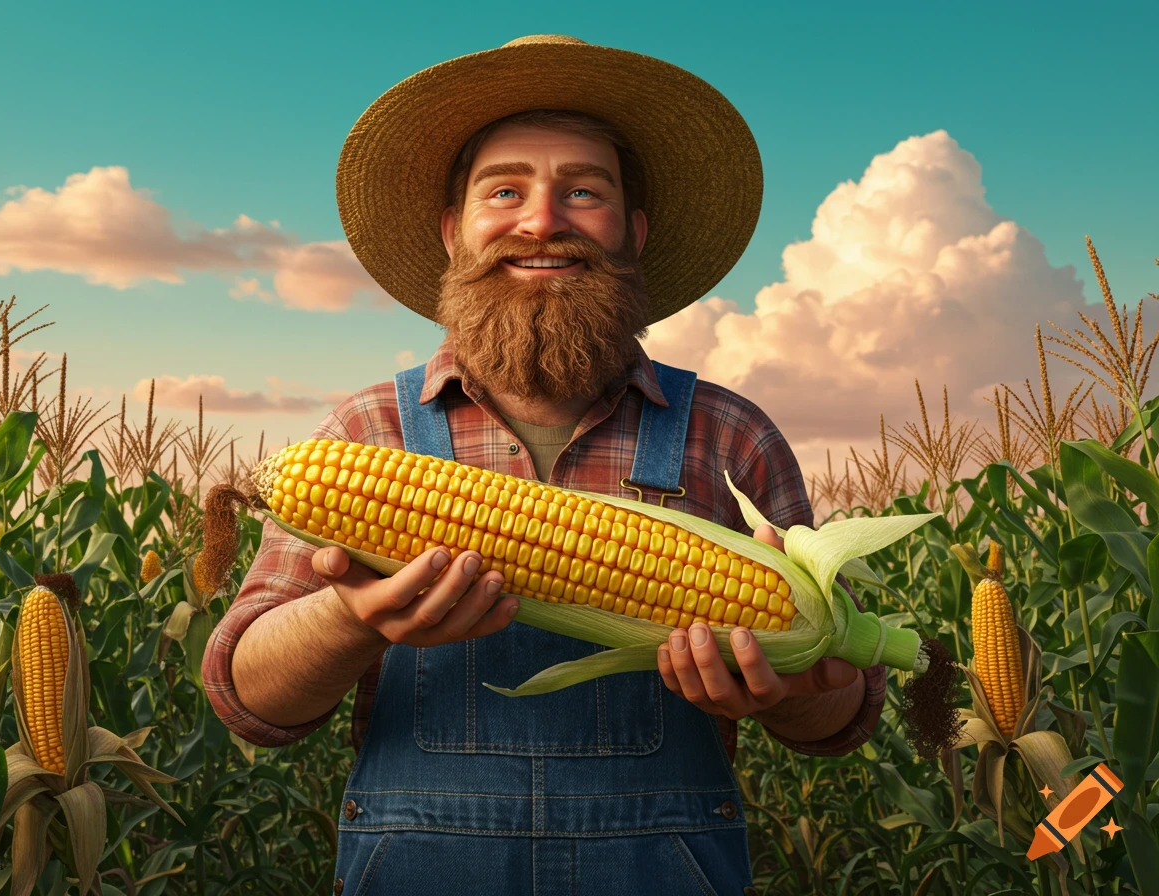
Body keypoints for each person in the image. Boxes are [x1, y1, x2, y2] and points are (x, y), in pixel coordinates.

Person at [204, 34, 887, 896]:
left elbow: (841, 709)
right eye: (505, 190)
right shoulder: (368, 429)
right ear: (455, 233)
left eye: (584, 192)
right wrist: (355, 619)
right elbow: (249, 700)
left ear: (633, 233)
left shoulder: (728, 437)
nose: (541, 220)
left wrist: (781, 689)